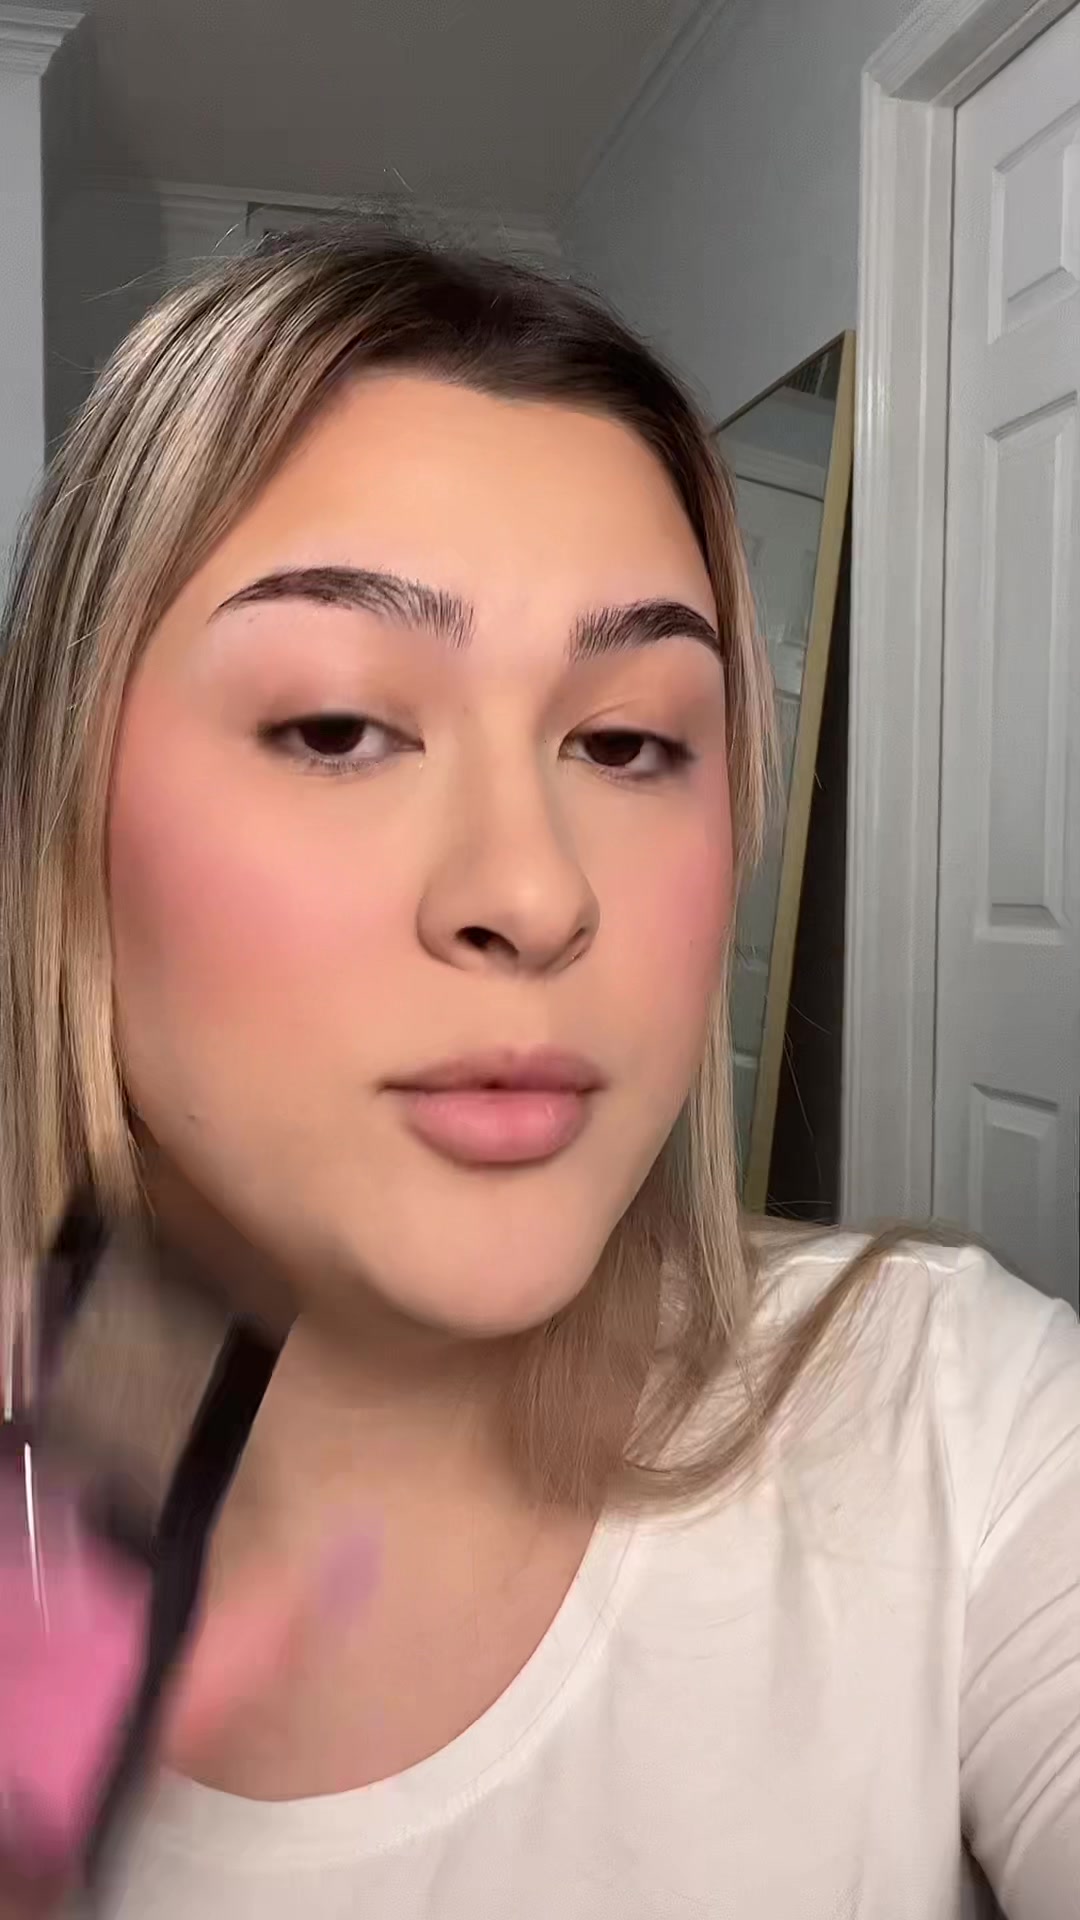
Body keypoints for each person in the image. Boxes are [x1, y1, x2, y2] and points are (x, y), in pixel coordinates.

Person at [0, 226, 1077, 1920]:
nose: (536, 889)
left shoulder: (960, 1429)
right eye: (340, 727)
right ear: (66, 826)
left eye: (628, 741)